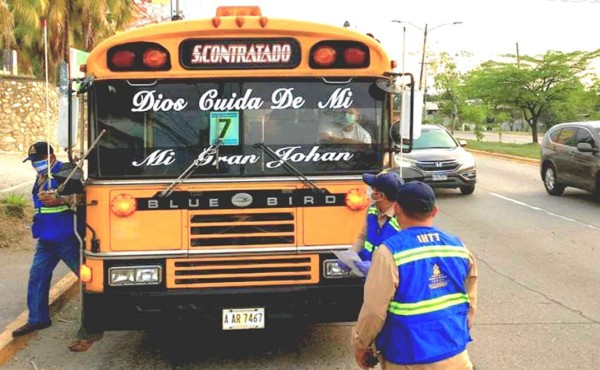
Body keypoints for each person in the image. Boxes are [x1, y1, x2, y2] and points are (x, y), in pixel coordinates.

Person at [353, 181, 478, 370]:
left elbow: (373, 312)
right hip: (455, 355)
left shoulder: (389, 253)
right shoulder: (459, 247)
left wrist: (361, 344)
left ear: (396, 209)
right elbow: (469, 302)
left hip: (406, 358)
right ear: (434, 211)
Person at [12, 142, 83, 337]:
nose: (35, 165)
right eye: (33, 162)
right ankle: (38, 319)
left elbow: (86, 197)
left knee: (88, 279)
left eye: (38, 161)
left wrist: (62, 200)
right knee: (37, 276)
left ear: (51, 157)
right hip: (45, 236)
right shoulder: (42, 175)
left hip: (65, 235)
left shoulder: (68, 172)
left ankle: (103, 316)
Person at [344, 171, 403, 276]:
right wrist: (350, 254)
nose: (368, 191)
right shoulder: (372, 210)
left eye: (372, 189)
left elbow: (403, 259)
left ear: (380, 195)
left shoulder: (402, 219)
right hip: (369, 277)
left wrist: (377, 268)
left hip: (389, 280)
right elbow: (363, 237)